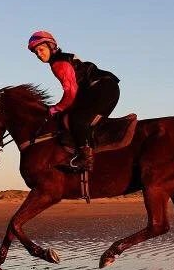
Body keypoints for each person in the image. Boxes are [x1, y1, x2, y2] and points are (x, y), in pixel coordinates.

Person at [27, 31, 120, 171]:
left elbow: (71, 93)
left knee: (75, 119)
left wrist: (56, 108)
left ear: (51, 46)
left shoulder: (59, 64)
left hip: (102, 89)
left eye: (41, 49)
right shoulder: (62, 59)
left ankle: (85, 159)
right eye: (36, 53)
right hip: (107, 88)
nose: (39, 54)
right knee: (83, 121)